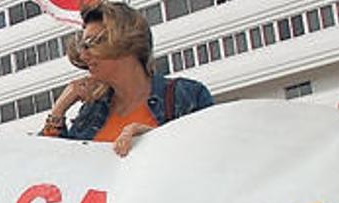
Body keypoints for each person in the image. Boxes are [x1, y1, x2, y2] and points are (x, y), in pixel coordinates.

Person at [41, 1, 213, 156]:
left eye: (91, 43)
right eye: (82, 47)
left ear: (125, 40)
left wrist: (156, 140)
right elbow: (54, 168)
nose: (83, 55)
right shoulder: (91, 112)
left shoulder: (186, 95)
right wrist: (58, 111)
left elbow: (214, 156)